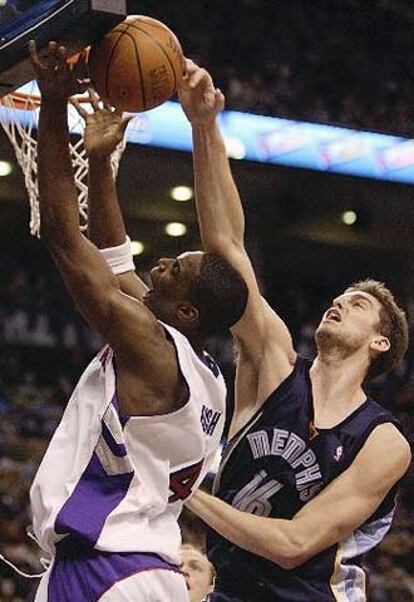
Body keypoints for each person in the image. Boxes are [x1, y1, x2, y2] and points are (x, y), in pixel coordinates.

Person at [178, 59, 412, 601]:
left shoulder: (382, 442)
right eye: (338, 297)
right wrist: (204, 127)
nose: (337, 303)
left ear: (380, 343)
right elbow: (227, 254)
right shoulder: (273, 366)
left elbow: (293, 543)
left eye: (356, 304)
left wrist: (186, 489)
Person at [27, 42, 248, 602]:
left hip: (110, 569)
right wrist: (99, 163)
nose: (164, 263)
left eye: (177, 270)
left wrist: (54, 104)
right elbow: (115, 257)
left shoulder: (151, 344)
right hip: (140, 568)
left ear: (188, 311)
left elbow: (61, 231)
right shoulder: (206, 376)